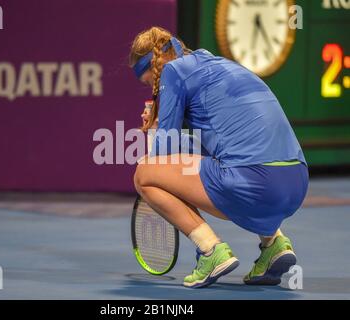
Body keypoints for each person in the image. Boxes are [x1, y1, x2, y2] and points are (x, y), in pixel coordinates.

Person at [130, 26, 309, 288]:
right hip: (297, 183)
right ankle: (274, 243)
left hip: (256, 185)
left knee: (144, 175)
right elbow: (205, 148)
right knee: (220, 159)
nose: (151, 89)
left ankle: (210, 250)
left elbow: (163, 156)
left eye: (148, 82)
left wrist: (155, 129)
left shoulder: (172, 72)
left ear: (154, 68)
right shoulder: (215, 64)